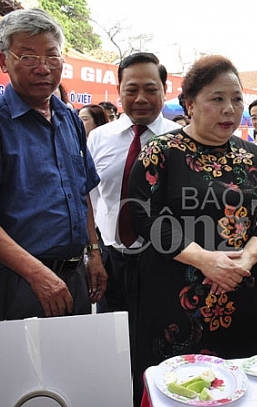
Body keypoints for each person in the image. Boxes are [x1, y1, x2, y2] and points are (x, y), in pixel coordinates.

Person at [128, 55, 257, 405]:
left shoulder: (253, 156)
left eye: (237, 99)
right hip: (175, 298)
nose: (230, 109)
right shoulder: (160, 152)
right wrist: (204, 260)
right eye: (217, 99)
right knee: (178, 390)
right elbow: (145, 217)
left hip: (239, 293)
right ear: (190, 104)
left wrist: (246, 259)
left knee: (239, 387)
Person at [0, 8, 106, 322]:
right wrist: (36, 273)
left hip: (74, 277)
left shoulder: (69, 120)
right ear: (3, 62)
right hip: (17, 281)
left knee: (75, 366)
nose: (42, 68)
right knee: (15, 371)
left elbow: (82, 192)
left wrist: (94, 252)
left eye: (52, 56)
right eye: (27, 57)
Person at [87, 52, 181, 319]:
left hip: (165, 261)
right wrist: (94, 253)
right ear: (119, 91)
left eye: (151, 89)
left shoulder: (180, 141)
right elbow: (90, 198)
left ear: (164, 90)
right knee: (113, 344)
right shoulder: (98, 138)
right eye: (131, 89)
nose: (141, 98)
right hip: (110, 262)